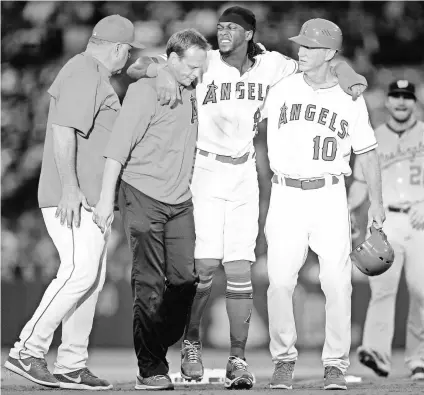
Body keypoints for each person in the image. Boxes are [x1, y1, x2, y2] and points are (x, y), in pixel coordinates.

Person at [127, 6, 368, 390]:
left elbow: (324, 65)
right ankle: (191, 341)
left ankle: (238, 359)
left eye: (232, 27)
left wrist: (350, 74)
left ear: (250, 33)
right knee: (204, 267)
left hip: (243, 172)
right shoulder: (202, 60)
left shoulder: (274, 65)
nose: (222, 32)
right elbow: (137, 65)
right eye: (220, 26)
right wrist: (161, 73)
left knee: (240, 269)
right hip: (204, 169)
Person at [3, 15, 143, 391]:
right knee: (80, 271)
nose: (128, 58)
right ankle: (27, 350)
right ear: (116, 47)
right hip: (73, 196)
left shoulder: (93, 72)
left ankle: (71, 364)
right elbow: (63, 129)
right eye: (128, 51)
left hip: (91, 199)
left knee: (91, 280)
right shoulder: (84, 70)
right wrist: (70, 188)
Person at [257, 18, 385, 390]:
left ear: (329, 52)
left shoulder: (350, 98)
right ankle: (283, 360)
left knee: (337, 282)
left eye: (311, 46)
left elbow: (368, 152)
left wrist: (376, 201)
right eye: (301, 44)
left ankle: (335, 364)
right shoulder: (280, 87)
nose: (301, 50)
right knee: (279, 282)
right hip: (285, 194)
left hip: (330, 194)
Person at [92, 28, 209, 391]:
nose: (196, 73)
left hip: (179, 200)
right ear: (172, 59)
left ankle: (157, 342)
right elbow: (117, 148)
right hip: (142, 193)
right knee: (148, 285)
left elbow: (142, 64)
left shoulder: (187, 85)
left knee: (187, 280)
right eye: (190, 67)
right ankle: (150, 367)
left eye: (199, 68)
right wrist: (104, 200)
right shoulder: (146, 91)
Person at [349, 80, 424, 381]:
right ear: (388, 102)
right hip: (385, 222)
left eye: (407, 97)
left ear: (414, 102)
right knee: (382, 291)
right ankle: (377, 354)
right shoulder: (372, 138)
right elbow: (359, 183)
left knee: (421, 292)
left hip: (420, 220)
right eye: (396, 96)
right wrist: (346, 209)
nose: (401, 102)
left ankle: (418, 358)